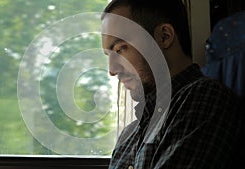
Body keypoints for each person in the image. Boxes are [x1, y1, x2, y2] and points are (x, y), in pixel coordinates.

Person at [101, 0, 242, 168]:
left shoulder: (202, 99)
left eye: (120, 49)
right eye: (108, 55)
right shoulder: (129, 135)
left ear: (164, 36)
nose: (112, 69)